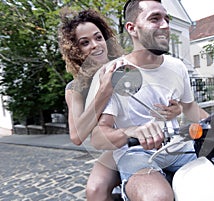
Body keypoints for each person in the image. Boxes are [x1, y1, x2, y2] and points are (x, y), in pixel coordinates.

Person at [89, 0, 210, 200]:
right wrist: (130, 131)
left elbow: (189, 108)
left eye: (167, 19)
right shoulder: (114, 72)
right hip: (136, 153)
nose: (165, 25)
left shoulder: (177, 67)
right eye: (155, 19)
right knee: (157, 197)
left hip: (179, 147)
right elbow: (98, 136)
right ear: (132, 28)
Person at [58, 8, 182, 201]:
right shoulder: (75, 88)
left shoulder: (125, 66)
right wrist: (104, 92)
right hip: (116, 144)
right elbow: (77, 136)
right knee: (95, 189)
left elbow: (156, 95)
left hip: (146, 138)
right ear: (76, 50)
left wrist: (176, 109)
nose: (95, 45)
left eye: (98, 37)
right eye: (85, 42)